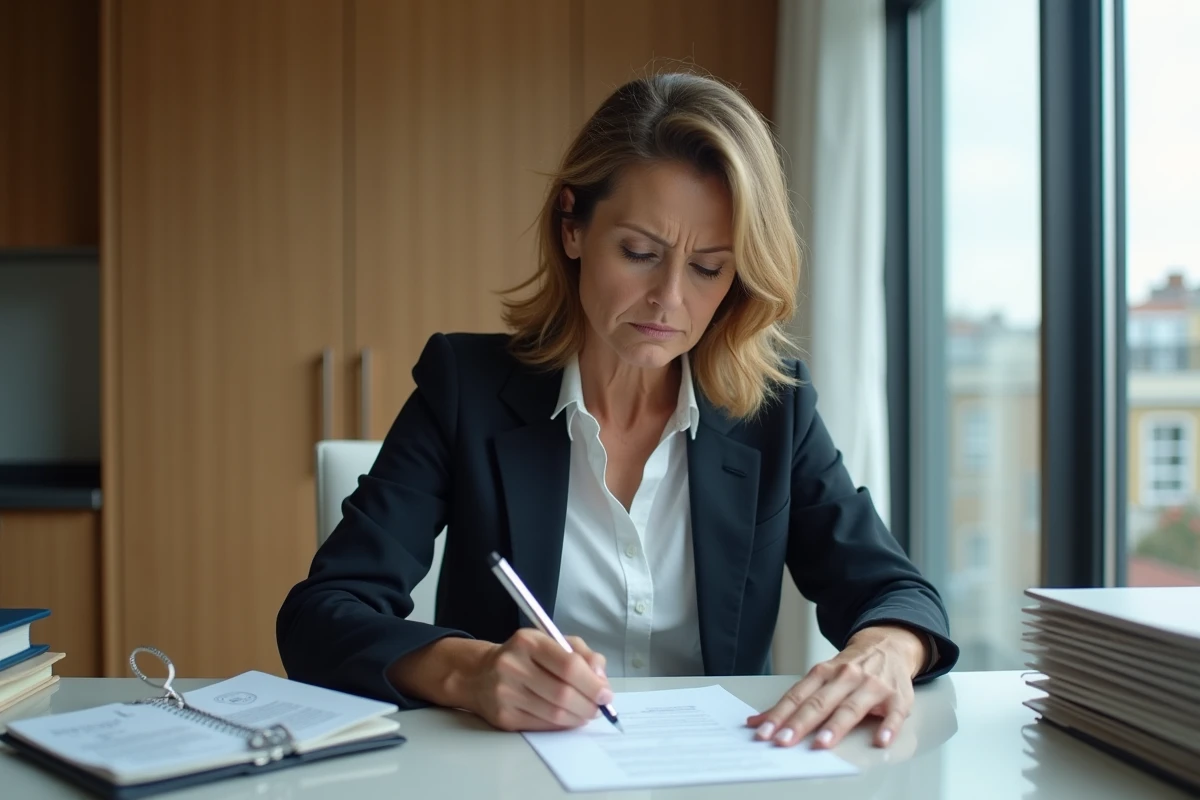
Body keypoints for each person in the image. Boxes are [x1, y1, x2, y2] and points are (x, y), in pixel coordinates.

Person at [277, 72, 959, 751]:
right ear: (573, 226)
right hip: (507, 778)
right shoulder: (468, 389)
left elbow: (894, 590)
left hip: (722, 776)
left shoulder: (775, 409)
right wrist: (472, 672)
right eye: (640, 253)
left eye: (709, 268)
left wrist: (887, 651)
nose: (669, 300)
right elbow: (320, 616)